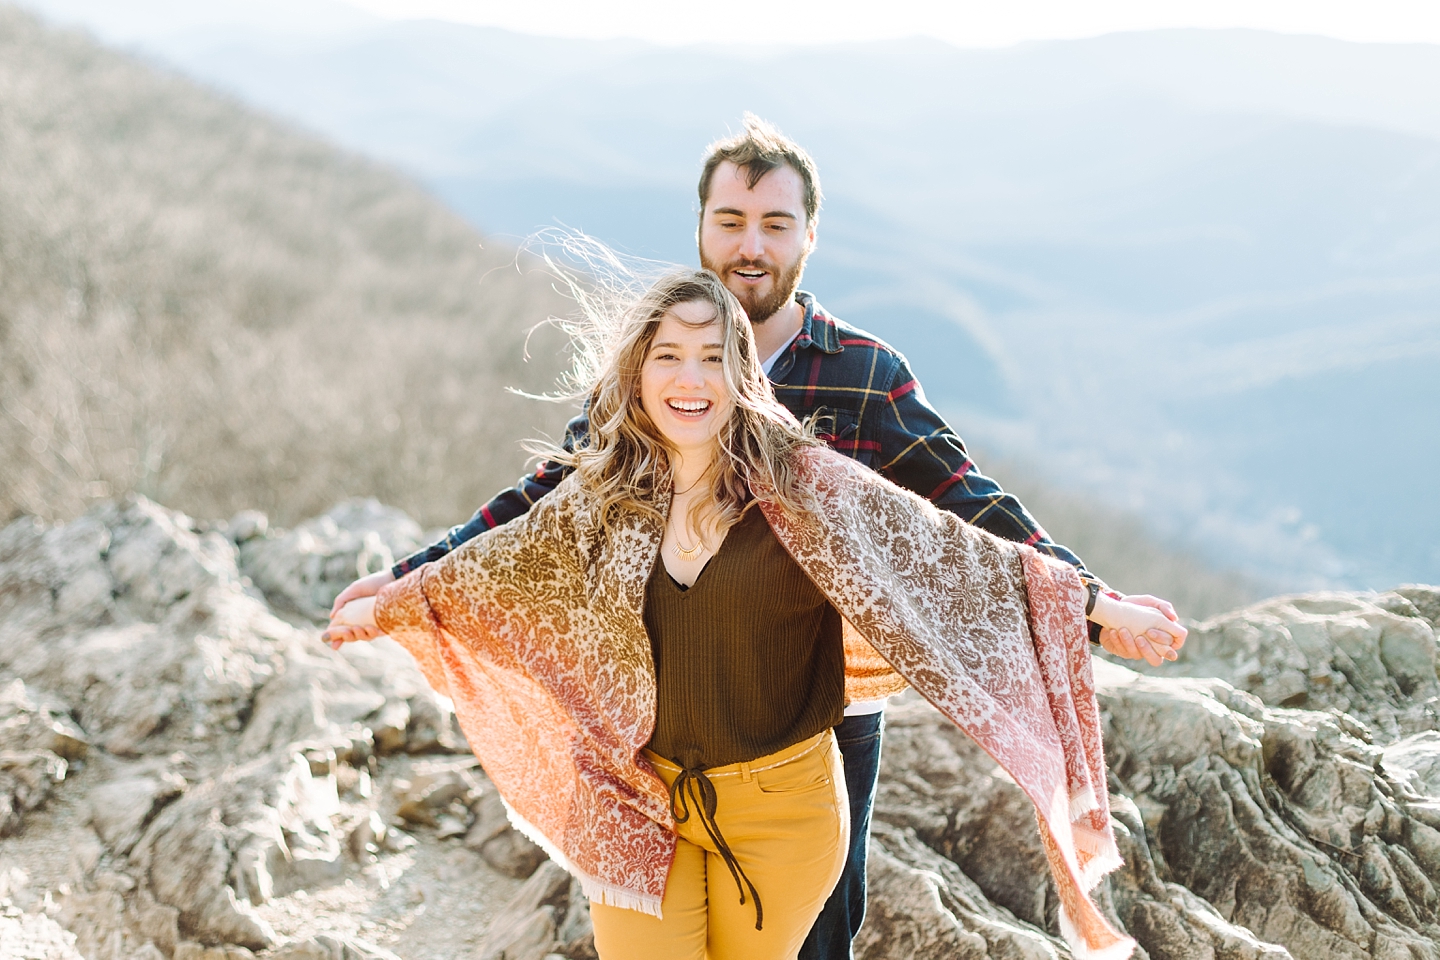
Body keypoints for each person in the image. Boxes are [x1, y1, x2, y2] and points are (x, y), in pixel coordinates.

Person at [326, 115, 1183, 959]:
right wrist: (407, 580)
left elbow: (959, 509)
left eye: (774, 225)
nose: (750, 246)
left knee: (817, 941)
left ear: (808, 237)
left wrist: (1097, 604)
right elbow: (543, 506)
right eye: (730, 221)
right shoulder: (650, 369)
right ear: (701, 229)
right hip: (666, 717)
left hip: (822, 720)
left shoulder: (860, 373)